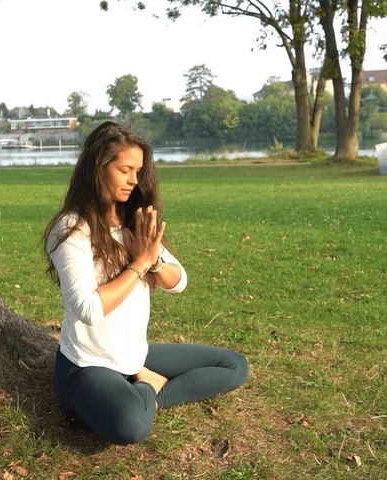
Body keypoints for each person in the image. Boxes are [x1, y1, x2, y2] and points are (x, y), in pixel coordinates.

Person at [43, 121, 249, 445]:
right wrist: (139, 264)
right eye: (125, 169)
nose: (133, 180)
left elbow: (178, 281)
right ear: (98, 167)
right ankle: (146, 387)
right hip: (88, 366)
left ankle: (145, 387)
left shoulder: (132, 222)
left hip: (134, 355)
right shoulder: (73, 229)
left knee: (233, 366)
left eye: (138, 171)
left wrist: (154, 260)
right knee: (130, 427)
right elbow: (88, 309)